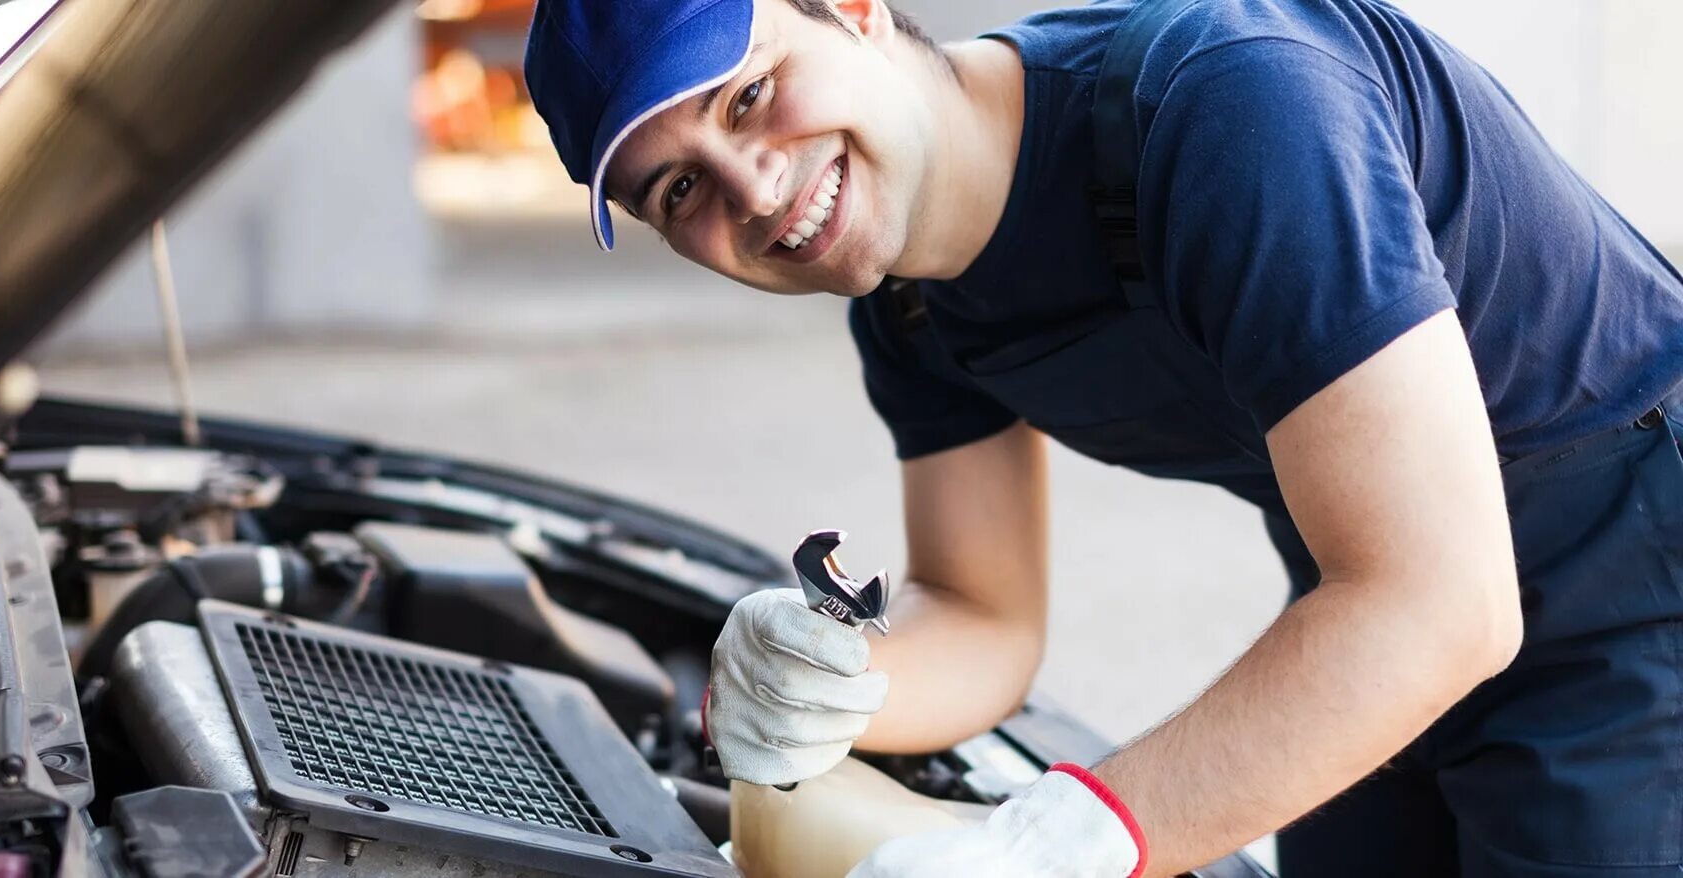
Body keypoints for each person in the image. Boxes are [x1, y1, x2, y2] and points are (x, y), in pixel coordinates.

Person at [520, 0, 1683, 874]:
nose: (755, 191)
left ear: (857, 8)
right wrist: (832, 683)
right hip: (1375, 600)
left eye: (748, 94)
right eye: (678, 191)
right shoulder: (911, 302)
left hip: (1636, 582)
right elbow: (983, 612)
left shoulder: (1228, 108)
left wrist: (1056, 841)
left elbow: (1443, 601)